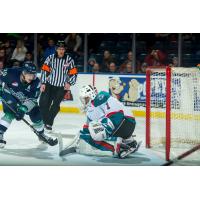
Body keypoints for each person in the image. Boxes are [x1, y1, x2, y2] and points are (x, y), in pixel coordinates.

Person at [77, 85, 141, 158]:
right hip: (129, 124)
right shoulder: (97, 103)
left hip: (122, 122)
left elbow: (93, 123)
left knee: (95, 131)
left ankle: (118, 148)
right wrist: (83, 133)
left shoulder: (99, 98)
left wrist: (84, 135)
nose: (84, 102)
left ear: (91, 95)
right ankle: (130, 142)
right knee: (95, 129)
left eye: (86, 98)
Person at [0, 62, 54, 148]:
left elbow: (32, 100)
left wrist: (22, 110)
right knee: (9, 114)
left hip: (26, 101)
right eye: (29, 74)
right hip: (10, 97)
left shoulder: (36, 82)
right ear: (23, 73)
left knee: (37, 116)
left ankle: (41, 134)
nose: (32, 77)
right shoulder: (10, 73)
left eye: (33, 74)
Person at [39, 40, 78, 131]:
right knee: (43, 103)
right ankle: (44, 121)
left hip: (61, 87)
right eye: (59, 49)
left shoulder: (69, 60)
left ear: (65, 50)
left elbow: (74, 73)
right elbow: (44, 70)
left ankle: (48, 123)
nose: (61, 51)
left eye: (63, 49)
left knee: (55, 105)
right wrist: (43, 83)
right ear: (56, 49)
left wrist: (69, 82)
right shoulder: (50, 58)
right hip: (49, 85)